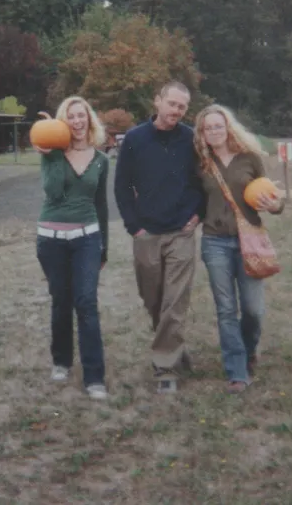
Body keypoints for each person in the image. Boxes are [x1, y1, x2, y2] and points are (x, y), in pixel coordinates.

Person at [114, 81, 205, 393]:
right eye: (172, 104)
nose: (176, 111)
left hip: (181, 233)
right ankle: (173, 346)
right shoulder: (135, 140)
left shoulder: (191, 139)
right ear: (158, 102)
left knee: (175, 301)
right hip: (147, 234)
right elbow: (122, 186)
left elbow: (203, 180)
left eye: (182, 107)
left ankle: (164, 367)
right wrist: (134, 228)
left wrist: (198, 215)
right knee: (153, 299)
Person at [193, 104, 285, 394]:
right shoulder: (200, 163)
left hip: (248, 242)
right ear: (202, 133)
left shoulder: (250, 159)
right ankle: (237, 370)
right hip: (214, 242)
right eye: (208, 128)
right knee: (226, 309)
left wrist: (276, 206)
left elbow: (272, 196)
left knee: (253, 309)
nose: (214, 132)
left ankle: (249, 349)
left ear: (228, 127)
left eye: (219, 126)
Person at [33, 96, 111, 400]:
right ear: (63, 122)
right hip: (51, 239)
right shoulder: (51, 154)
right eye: (71, 117)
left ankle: (94, 377)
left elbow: (101, 204)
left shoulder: (101, 160)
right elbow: (52, 192)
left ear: (89, 120)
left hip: (87, 238)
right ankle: (61, 361)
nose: (77, 122)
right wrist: (53, 154)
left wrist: (104, 246)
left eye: (82, 116)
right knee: (61, 301)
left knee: (87, 303)